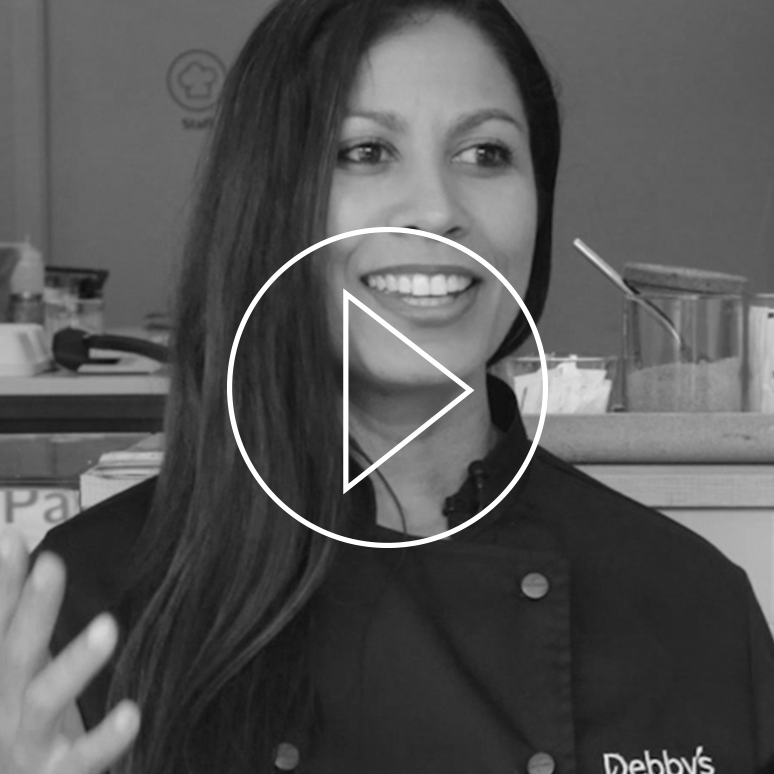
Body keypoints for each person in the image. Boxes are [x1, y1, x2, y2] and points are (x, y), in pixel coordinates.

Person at [2, 0, 774, 772]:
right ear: (267, 203)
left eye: (487, 153)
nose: (437, 210)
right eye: (366, 151)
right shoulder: (84, 611)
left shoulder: (694, 606)